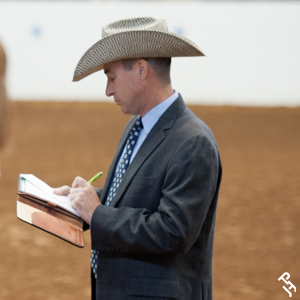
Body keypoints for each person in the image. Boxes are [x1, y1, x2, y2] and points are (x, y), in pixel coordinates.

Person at [54, 17, 222, 300]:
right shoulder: (138, 125)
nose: (108, 90)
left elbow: (173, 230)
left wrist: (97, 214)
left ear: (142, 70)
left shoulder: (193, 141)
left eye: (111, 77)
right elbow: (133, 198)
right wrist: (77, 201)